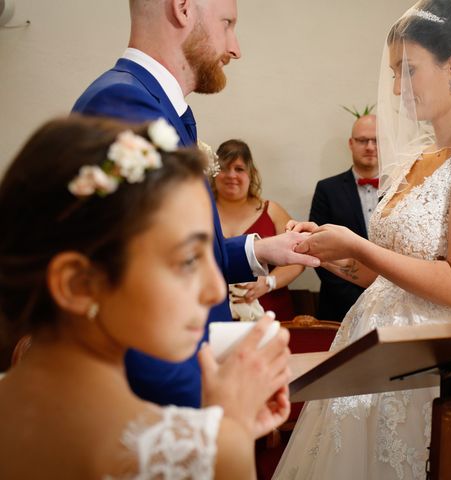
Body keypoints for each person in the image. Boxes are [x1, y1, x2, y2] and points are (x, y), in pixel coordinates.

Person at [274, 0, 451, 478]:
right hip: (378, 357)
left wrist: (357, 244)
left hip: (441, 365)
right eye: (393, 72)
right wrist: (322, 249)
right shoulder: (416, 157)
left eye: (407, 71)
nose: (395, 88)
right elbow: (378, 273)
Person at [0, 116, 291, 478]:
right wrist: (227, 433)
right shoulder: (201, 454)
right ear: (78, 284)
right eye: (188, 260)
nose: (216, 289)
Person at [71, 0, 318, 408]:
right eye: (228, 24)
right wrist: (198, 404)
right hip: (158, 396)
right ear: (183, 8)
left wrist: (258, 249)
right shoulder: (124, 105)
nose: (235, 47)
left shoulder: (151, 102)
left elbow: (167, 253)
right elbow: (136, 287)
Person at [211, 139, 303, 321]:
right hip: (216, 314)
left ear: (251, 174)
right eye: (224, 168)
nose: (231, 175)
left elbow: (298, 259)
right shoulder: (201, 210)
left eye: (239, 169)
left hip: (271, 313)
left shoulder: (271, 211)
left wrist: (269, 282)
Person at [309, 114, 379, 321]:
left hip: (393, 305)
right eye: (362, 140)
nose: (369, 146)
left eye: (376, 140)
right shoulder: (326, 189)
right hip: (339, 309)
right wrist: (359, 301)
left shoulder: (401, 187)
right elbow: (318, 250)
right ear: (351, 143)